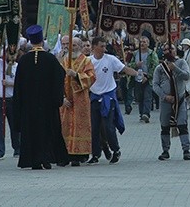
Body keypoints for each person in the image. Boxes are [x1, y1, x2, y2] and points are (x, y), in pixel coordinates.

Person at [13, 25, 68, 170]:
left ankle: (33, 160)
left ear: (30, 42)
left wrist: (19, 104)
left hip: (28, 105)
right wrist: (57, 99)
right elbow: (60, 76)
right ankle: (46, 159)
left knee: (32, 131)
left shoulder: (23, 61)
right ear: (42, 41)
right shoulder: (50, 59)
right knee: (47, 130)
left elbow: (18, 85)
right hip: (47, 104)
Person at [88, 35, 139, 164]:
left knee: (108, 126)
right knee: (94, 127)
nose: (104, 49)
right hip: (94, 96)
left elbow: (124, 69)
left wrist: (137, 74)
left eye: (105, 46)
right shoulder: (88, 61)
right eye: (101, 46)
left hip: (108, 96)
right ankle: (95, 154)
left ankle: (116, 150)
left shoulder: (110, 59)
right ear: (94, 47)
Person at [152, 45, 190, 160]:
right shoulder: (160, 68)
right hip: (166, 101)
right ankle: (165, 150)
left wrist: (175, 68)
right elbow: (155, 85)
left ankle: (186, 150)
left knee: (182, 124)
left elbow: (186, 76)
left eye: (171, 49)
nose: (169, 51)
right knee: (165, 125)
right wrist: (164, 96)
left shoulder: (181, 62)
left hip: (180, 100)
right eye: (165, 50)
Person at [60, 36, 94, 165]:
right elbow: (57, 80)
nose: (71, 48)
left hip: (80, 100)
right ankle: (65, 154)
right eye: (70, 45)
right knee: (65, 125)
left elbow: (92, 77)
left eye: (74, 45)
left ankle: (80, 155)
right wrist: (62, 97)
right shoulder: (63, 61)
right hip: (66, 100)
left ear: (79, 46)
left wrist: (76, 75)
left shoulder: (86, 61)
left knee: (80, 126)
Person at [0, 45, 19, 160]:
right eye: (9, 53)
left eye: (13, 53)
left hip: (11, 99)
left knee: (14, 125)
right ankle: (0, 151)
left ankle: (17, 148)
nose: (11, 56)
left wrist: (9, 84)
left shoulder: (17, 66)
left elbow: (21, 83)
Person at [128, 36, 159, 123]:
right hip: (137, 78)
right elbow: (129, 65)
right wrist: (136, 65)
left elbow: (155, 66)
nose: (142, 44)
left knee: (147, 97)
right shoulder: (135, 54)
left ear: (148, 44)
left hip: (148, 79)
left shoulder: (151, 54)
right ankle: (141, 114)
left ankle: (146, 114)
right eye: (141, 42)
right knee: (139, 97)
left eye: (144, 42)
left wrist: (148, 76)